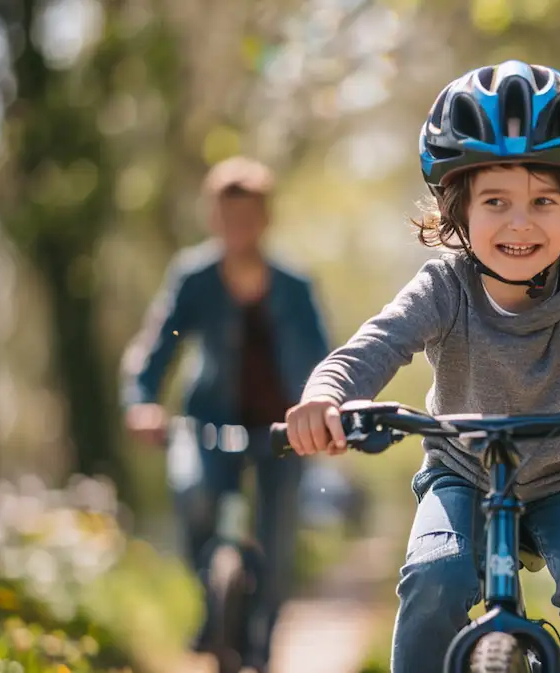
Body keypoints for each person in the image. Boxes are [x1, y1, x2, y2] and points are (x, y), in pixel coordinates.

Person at [284, 61, 560, 673]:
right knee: (432, 581)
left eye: (543, 199)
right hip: (464, 470)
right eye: (495, 201)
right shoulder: (443, 287)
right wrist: (326, 396)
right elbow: (371, 348)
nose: (520, 222)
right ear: (457, 210)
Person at [120, 155, 332, 671]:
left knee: (277, 546)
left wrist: (328, 415)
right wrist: (143, 400)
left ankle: (261, 641)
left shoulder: (294, 286)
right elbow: (158, 346)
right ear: (212, 218)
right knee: (193, 492)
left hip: (283, 430)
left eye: (247, 216)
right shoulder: (193, 279)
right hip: (207, 421)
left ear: (265, 218)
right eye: (226, 216)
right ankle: (210, 600)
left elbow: (324, 363)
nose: (237, 227)